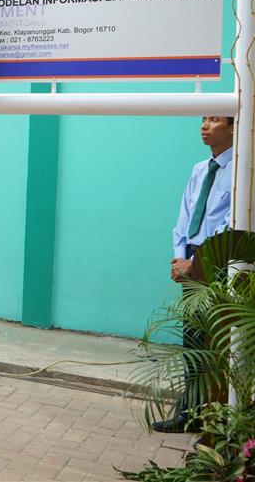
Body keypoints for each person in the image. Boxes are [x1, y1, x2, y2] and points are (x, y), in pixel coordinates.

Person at [153, 115, 234, 433]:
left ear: (233, 127)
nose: (204, 126)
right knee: (193, 342)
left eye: (214, 120)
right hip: (189, 266)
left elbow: (232, 223)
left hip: (218, 265)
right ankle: (190, 415)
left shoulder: (242, 169)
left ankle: (214, 416)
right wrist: (179, 258)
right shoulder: (200, 169)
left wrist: (198, 263)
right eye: (203, 120)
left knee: (218, 343)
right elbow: (185, 215)